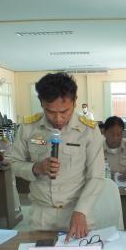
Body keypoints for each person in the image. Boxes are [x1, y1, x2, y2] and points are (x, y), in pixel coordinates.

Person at [9, 72, 104, 240]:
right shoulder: (28, 128)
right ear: (41, 104)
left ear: (75, 102)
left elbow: (96, 176)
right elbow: (14, 163)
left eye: (64, 111)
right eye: (50, 111)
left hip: (78, 213)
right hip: (42, 216)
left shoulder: (88, 131)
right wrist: (36, 167)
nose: (58, 118)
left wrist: (81, 212)